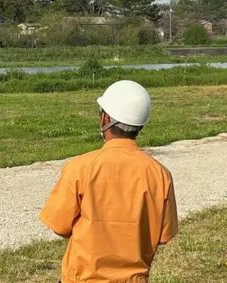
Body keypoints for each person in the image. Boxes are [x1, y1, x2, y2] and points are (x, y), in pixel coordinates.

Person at [39, 80, 178, 283]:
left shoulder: (79, 168)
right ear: (140, 125)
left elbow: (59, 226)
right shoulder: (160, 174)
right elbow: (164, 235)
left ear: (105, 118)